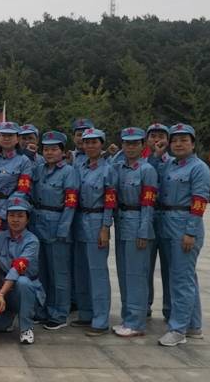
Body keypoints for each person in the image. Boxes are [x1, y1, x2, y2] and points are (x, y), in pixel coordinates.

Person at [148, 123, 209, 346]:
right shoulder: (170, 165)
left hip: (184, 226)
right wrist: (157, 154)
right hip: (166, 224)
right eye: (174, 141)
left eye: (184, 140)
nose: (179, 144)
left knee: (181, 280)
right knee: (184, 277)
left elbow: (199, 202)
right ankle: (193, 325)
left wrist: (190, 232)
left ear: (193, 144)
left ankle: (178, 329)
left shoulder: (198, 168)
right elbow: (151, 172)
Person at [0, 197, 45, 345]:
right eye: (11, 215)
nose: (15, 220)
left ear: (27, 219)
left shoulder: (32, 241)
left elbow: (17, 269)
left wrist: (1, 294)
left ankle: (26, 329)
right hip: (5, 292)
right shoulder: (0, 237)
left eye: (20, 216)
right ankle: (7, 320)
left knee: (23, 282)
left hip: (25, 292)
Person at [28, 131, 79, 330]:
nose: (49, 153)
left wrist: (64, 229)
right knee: (41, 272)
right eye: (46, 149)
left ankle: (59, 314)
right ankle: (42, 310)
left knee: (59, 274)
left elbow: (71, 203)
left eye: (54, 149)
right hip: (37, 223)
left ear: (62, 152)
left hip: (57, 223)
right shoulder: (38, 170)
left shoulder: (69, 172)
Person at [111, 127, 158, 337]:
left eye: (135, 143)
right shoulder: (119, 167)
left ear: (143, 145)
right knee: (124, 274)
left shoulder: (147, 170)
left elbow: (148, 204)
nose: (130, 147)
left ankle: (136, 322)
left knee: (136, 275)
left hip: (138, 221)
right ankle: (127, 318)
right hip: (122, 222)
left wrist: (144, 231)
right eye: (127, 143)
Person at [71, 127, 118, 336]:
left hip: (97, 220)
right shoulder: (79, 166)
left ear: (102, 145)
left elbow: (110, 200)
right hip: (79, 220)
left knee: (97, 272)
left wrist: (105, 227)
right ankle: (85, 313)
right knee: (81, 270)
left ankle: (100, 320)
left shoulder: (108, 169)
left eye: (94, 142)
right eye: (86, 142)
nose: (90, 146)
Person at [143, 122, 171, 319]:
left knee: (170, 267)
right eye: (153, 136)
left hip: (169, 219)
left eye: (161, 136)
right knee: (145, 266)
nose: (157, 140)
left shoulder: (175, 162)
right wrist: (154, 158)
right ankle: (144, 305)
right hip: (148, 217)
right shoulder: (143, 163)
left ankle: (170, 309)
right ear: (146, 140)